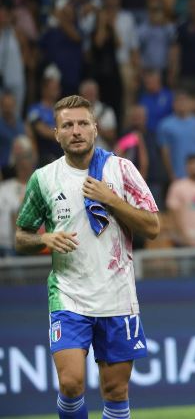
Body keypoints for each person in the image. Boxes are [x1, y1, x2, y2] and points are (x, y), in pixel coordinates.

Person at [14, 95, 159, 419]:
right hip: (69, 295)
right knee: (70, 383)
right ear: (56, 133)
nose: (76, 130)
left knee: (116, 392)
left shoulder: (121, 170)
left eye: (82, 123)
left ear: (95, 129)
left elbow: (153, 226)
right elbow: (21, 237)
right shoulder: (45, 178)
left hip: (118, 296)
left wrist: (112, 200)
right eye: (68, 125)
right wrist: (45, 239)